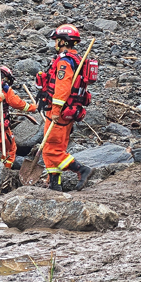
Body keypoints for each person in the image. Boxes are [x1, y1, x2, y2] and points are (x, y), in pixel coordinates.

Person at [39, 25, 94, 191]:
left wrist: (55, 110)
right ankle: (56, 185)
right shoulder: (77, 59)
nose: (55, 43)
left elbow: (62, 88)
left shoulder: (64, 62)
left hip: (60, 112)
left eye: (57, 40)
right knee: (58, 148)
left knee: (50, 150)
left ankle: (81, 169)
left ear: (63, 41)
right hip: (70, 110)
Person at [0, 65, 36, 168]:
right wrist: (32, 107)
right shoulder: (3, 87)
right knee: (10, 149)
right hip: (0, 124)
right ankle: (6, 170)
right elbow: (16, 103)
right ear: (6, 77)